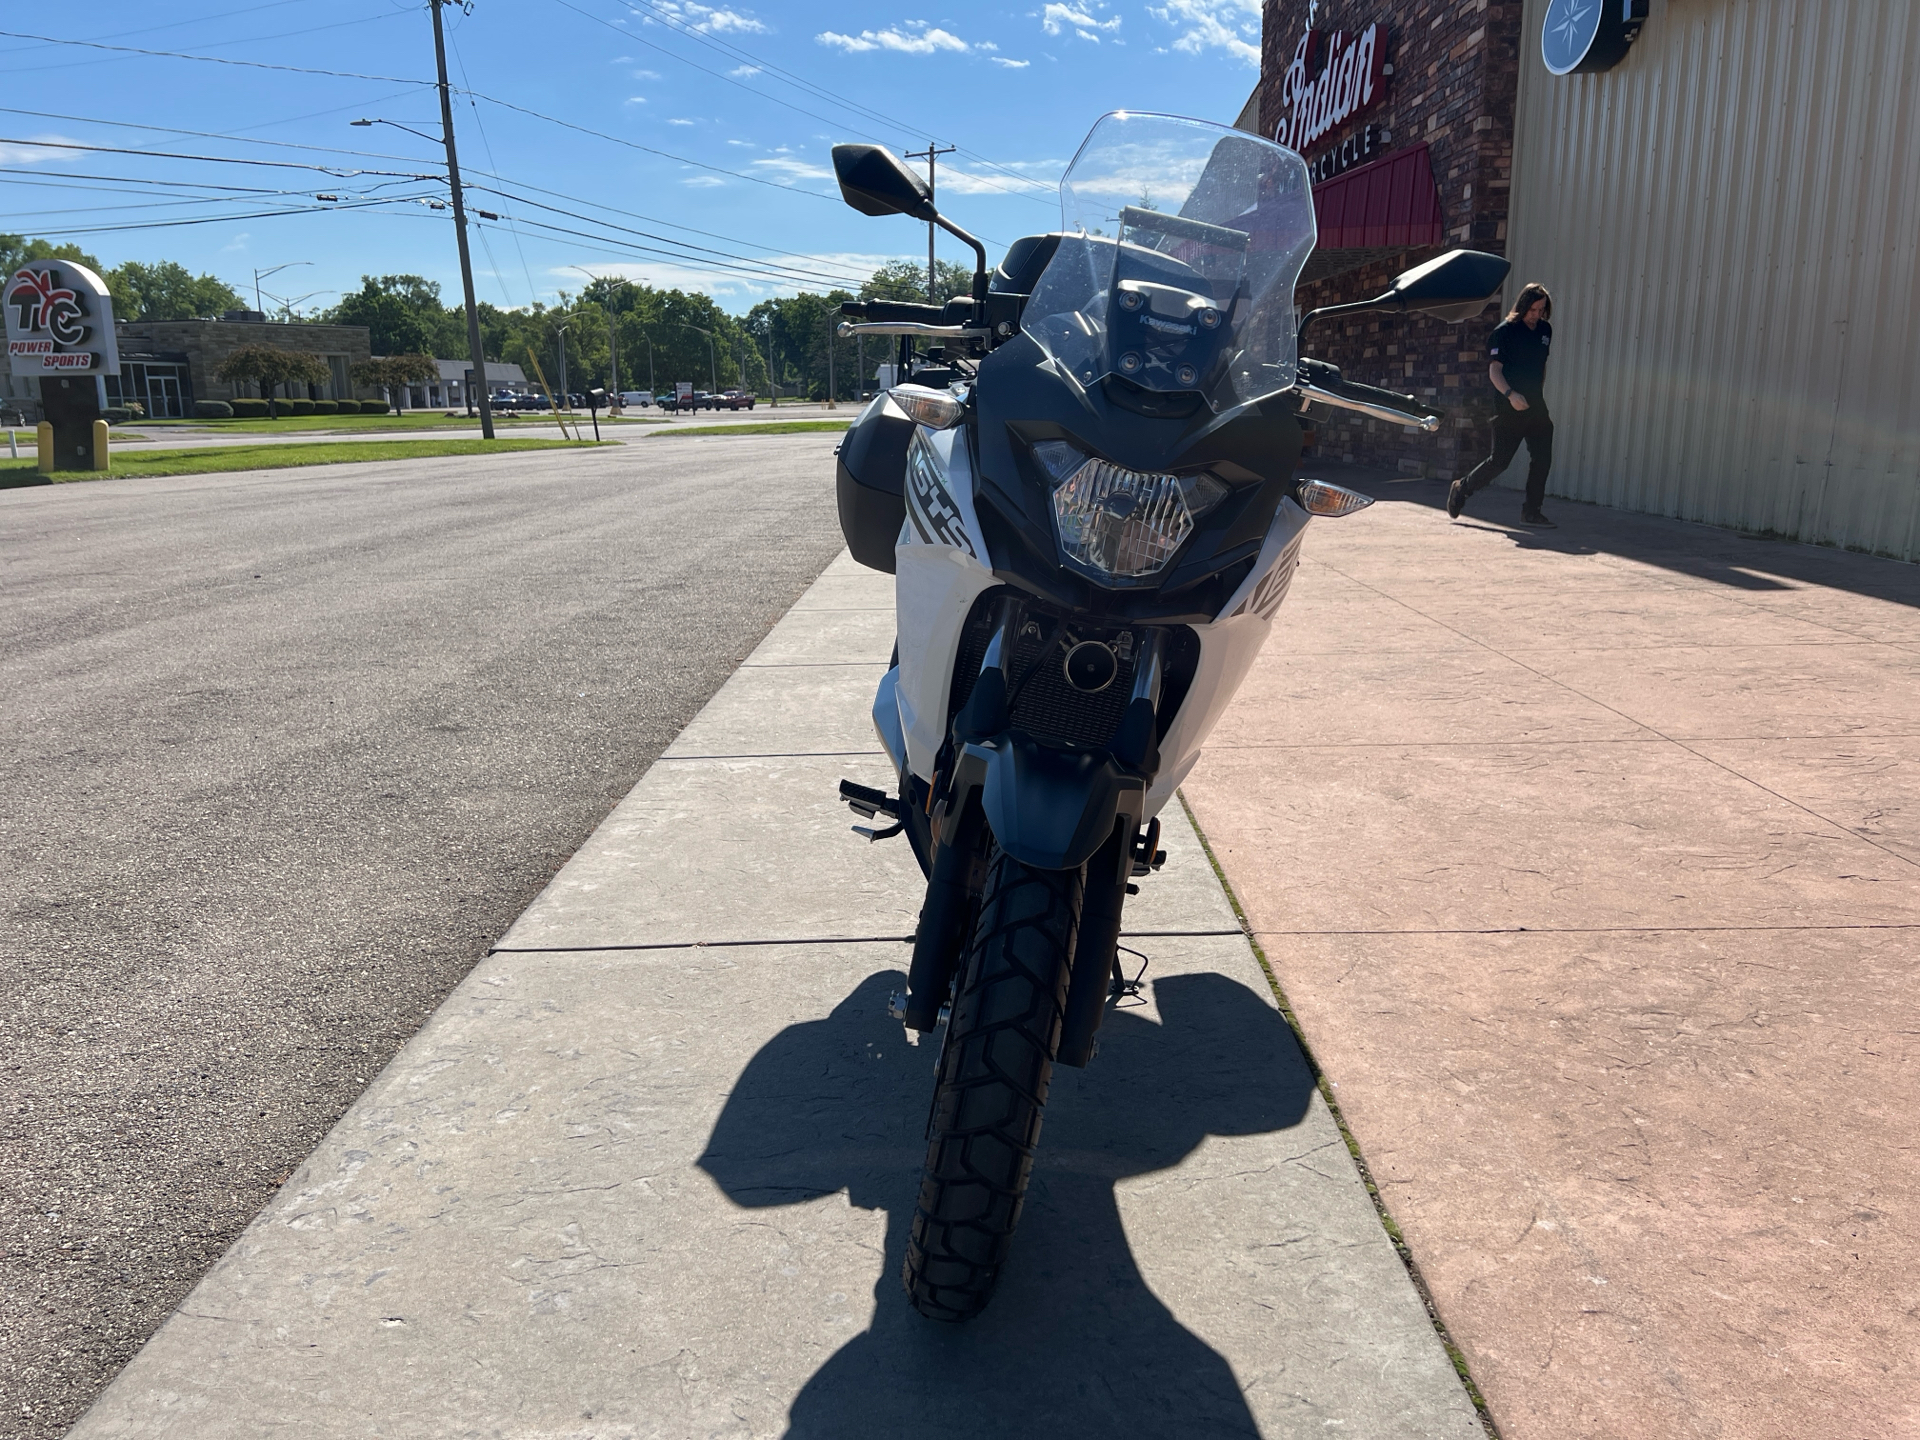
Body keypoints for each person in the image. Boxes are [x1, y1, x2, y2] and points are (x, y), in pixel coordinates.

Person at [1449, 282, 1558, 528]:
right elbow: (1494, 371)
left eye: (1541, 310)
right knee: (1500, 461)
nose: (1536, 315)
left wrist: (1536, 394)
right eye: (1532, 310)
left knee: (1542, 458)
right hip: (1508, 405)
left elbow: (1541, 366)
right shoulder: (1504, 332)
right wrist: (1511, 394)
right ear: (1522, 307)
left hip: (1535, 405)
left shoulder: (1545, 331)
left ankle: (1532, 511)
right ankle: (1461, 489)